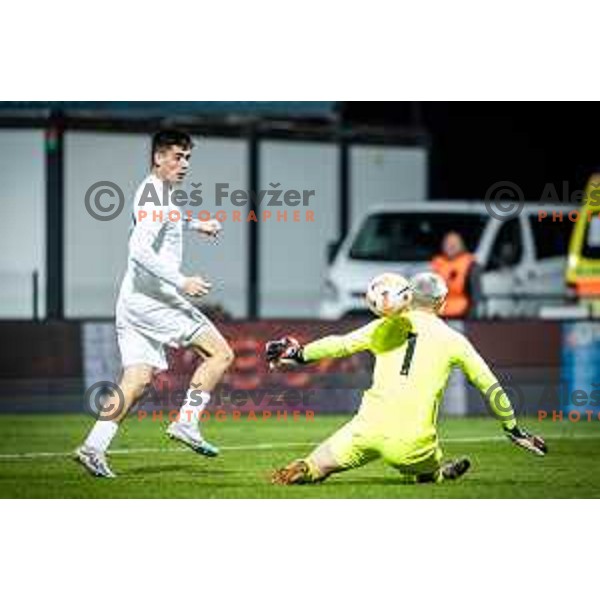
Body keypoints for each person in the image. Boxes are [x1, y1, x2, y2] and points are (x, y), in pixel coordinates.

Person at [266, 272, 546, 485]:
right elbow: (490, 386)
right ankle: (436, 472)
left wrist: (299, 354)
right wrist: (513, 428)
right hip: (410, 441)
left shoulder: (383, 326)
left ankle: (306, 468)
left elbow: (338, 344)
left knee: (318, 465)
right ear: (442, 303)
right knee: (426, 470)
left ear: (409, 296)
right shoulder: (454, 340)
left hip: (365, 429)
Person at [75, 130, 235, 478]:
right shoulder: (154, 197)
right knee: (221, 354)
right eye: (177, 156)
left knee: (137, 380)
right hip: (155, 300)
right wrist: (182, 281)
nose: (184, 164)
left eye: (188, 158)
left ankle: (93, 447)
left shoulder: (157, 193)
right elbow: (139, 250)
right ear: (158, 158)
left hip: (132, 300)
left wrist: (197, 224)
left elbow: (167, 220)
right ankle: (186, 423)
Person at [431, 231, 482, 318]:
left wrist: (472, 316)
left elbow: (476, 294)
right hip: (440, 315)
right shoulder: (437, 264)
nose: (451, 246)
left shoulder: (470, 265)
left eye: (455, 244)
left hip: (462, 315)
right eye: (448, 243)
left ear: (461, 245)